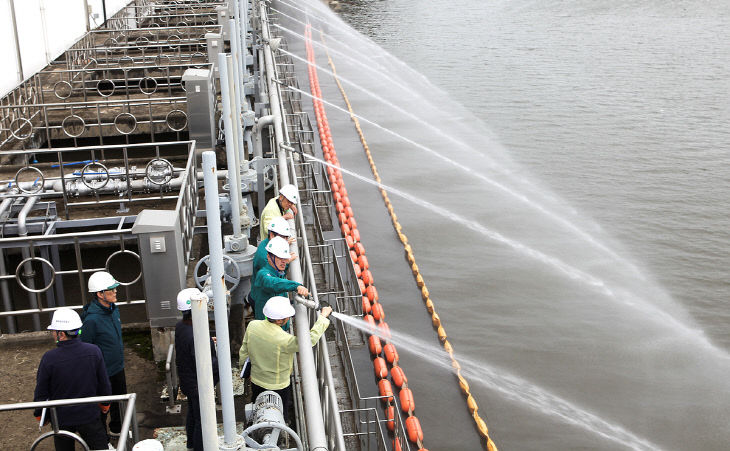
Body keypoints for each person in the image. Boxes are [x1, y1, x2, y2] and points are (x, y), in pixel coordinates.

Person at [239, 296, 332, 422]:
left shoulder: (252, 326)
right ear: (279, 321)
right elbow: (309, 340)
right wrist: (323, 318)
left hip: (256, 380)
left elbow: (244, 351)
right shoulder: (284, 340)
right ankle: (280, 432)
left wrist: (245, 371)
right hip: (278, 385)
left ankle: (257, 427)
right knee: (280, 414)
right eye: (288, 316)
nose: (290, 318)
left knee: (257, 407)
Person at [34, 308, 111, 451]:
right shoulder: (94, 351)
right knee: (99, 447)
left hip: (62, 418)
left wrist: (40, 414)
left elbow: (42, 390)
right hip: (89, 414)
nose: (52, 334)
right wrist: (105, 404)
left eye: (53, 331)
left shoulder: (49, 358)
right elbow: (104, 383)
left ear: (61, 334)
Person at [81, 270, 126, 436]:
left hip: (118, 367)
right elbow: (86, 347)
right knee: (102, 406)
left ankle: (117, 428)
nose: (115, 291)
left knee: (119, 401)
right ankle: (101, 440)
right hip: (103, 372)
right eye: (111, 289)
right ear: (100, 294)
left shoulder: (114, 309)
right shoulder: (91, 320)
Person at [175, 288, 219, 451]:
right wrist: (219, 362)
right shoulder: (194, 333)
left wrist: (208, 339)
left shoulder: (181, 327)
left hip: (188, 381)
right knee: (203, 421)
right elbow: (204, 362)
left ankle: (191, 444)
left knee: (194, 413)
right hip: (198, 383)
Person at [249, 236, 309, 320]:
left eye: (285, 258)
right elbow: (273, 283)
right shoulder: (263, 275)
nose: (284, 261)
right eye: (280, 258)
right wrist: (296, 286)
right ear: (269, 257)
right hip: (269, 324)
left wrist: (285, 263)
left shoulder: (276, 270)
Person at [252, 216, 296, 281]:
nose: (285, 240)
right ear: (272, 235)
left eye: (287, 237)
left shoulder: (267, 243)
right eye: (283, 237)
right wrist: (286, 262)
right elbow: (276, 279)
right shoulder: (265, 257)